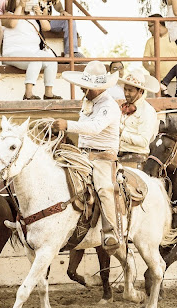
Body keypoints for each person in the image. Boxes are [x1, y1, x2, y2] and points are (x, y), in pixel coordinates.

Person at [53, 61, 122, 252]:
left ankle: (111, 231)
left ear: (99, 87)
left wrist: (68, 124)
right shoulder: (89, 102)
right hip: (83, 154)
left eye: (88, 87)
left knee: (104, 188)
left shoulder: (109, 106)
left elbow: (94, 128)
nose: (84, 89)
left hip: (103, 158)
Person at [2, 0, 62, 100]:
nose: (25, 2)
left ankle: (48, 93)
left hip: (33, 52)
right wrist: (20, 7)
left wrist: (39, 14)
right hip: (13, 52)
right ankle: (28, 94)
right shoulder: (7, 14)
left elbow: (47, 27)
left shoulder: (33, 16)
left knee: (51, 59)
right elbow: (12, 24)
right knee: (35, 59)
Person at [117, 70, 160, 170]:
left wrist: (121, 134)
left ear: (140, 91)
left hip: (136, 159)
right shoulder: (124, 107)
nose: (126, 93)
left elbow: (144, 141)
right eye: (125, 90)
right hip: (119, 156)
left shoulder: (147, 111)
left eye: (130, 91)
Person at [143, 14, 177, 84]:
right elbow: (144, 62)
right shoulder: (149, 41)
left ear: (157, 23)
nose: (148, 29)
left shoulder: (175, 36)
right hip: (155, 81)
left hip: (173, 80)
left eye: (150, 26)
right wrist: (150, 69)